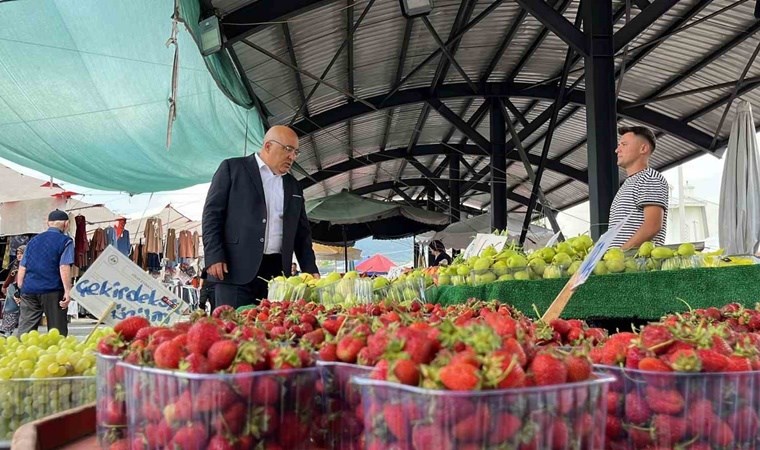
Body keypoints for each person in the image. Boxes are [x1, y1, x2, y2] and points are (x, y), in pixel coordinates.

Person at [202, 125, 320, 308]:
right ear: (268, 146)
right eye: (288, 149)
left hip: (277, 275)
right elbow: (212, 215)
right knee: (231, 330)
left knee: (271, 328)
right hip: (233, 269)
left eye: (296, 152)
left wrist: (310, 269)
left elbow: (301, 233)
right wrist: (214, 255)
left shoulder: (293, 185)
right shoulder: (233, 169)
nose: (292, 157)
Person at [609, 126, 669, 249]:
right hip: (620, 263)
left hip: (637, 263)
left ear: (643, 148)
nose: (617, 150)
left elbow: (653, 226)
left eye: (624, 144)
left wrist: (621, 252)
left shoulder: (649, 178)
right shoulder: (628, 183)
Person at [17, 210, 75, 336]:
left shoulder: (33, 241)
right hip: (53, 290)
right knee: (57, 331)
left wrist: (20, 287)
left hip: (29, 290)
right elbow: (64, 266)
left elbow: (22, 266)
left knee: (25, 330)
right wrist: (67, 291)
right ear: (66, 224)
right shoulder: (65, 241)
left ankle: (19, 354)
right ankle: (56, 354)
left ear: (48, 223)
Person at [0, 246, 26, 335]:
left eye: (21, 253)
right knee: (10, 309)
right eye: (18, 254)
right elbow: (11, 276)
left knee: (25, 311)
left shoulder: (29, 265)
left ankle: (24, 331)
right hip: (14, 290)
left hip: (26, 290)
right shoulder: (16, 265)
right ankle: (7, 329)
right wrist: (4, 286)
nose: (19, 256)